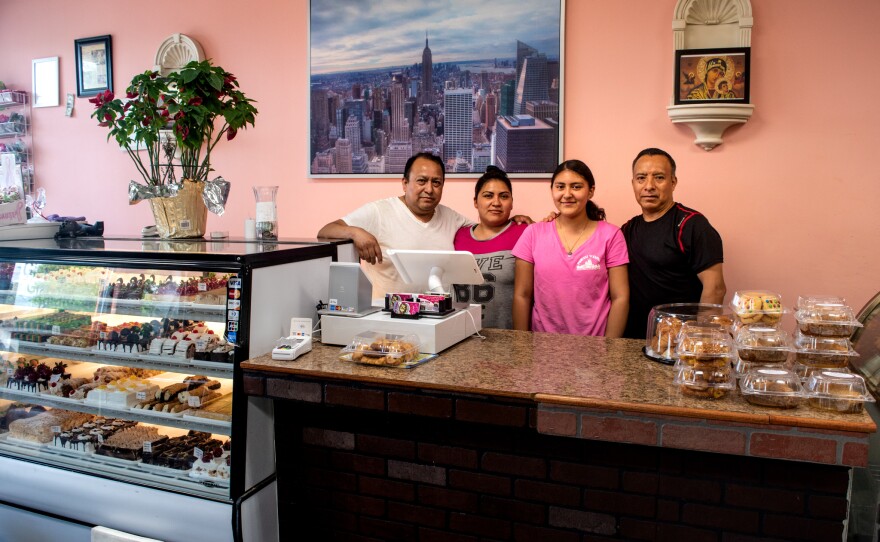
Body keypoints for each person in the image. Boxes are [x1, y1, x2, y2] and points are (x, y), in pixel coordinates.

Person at [317, 152, 471, 297]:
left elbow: (484, 231)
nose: (429, 189)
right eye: (421, 181)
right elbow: (325, 231)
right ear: (405, 183)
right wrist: (355, 232)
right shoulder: (379, 212)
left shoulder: (451, 217)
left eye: (436, 182)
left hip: (441, 317)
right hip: (387, 317)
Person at [512, 160, 629, 337]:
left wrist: (611, 350)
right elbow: (522, 295)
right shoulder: (533, 234)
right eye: (560, 187)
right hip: (543, 349)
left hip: (596, 349)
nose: (567, 194)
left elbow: (620, 298)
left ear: (591, 191)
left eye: (576, 187)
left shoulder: (611, 235)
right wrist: (520, 345)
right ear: (552, 190)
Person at [621, 148, 726, 339]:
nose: (649, 186)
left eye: (659, 177)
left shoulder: (692, 225)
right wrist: (558, 222)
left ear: (673, 182)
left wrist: (698, 342)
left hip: (679, 343)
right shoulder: (628, 229)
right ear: (633, 183)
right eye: (641, 178)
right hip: (634, 341)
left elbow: (715, 288)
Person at [453, 166, 528, 329]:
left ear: (512, 202)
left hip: (506, 342)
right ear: (475, 201)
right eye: (488, 196)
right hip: (459, 338)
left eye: (504, 196)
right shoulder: (457, 235)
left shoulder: (525, 233)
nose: (496, 203)